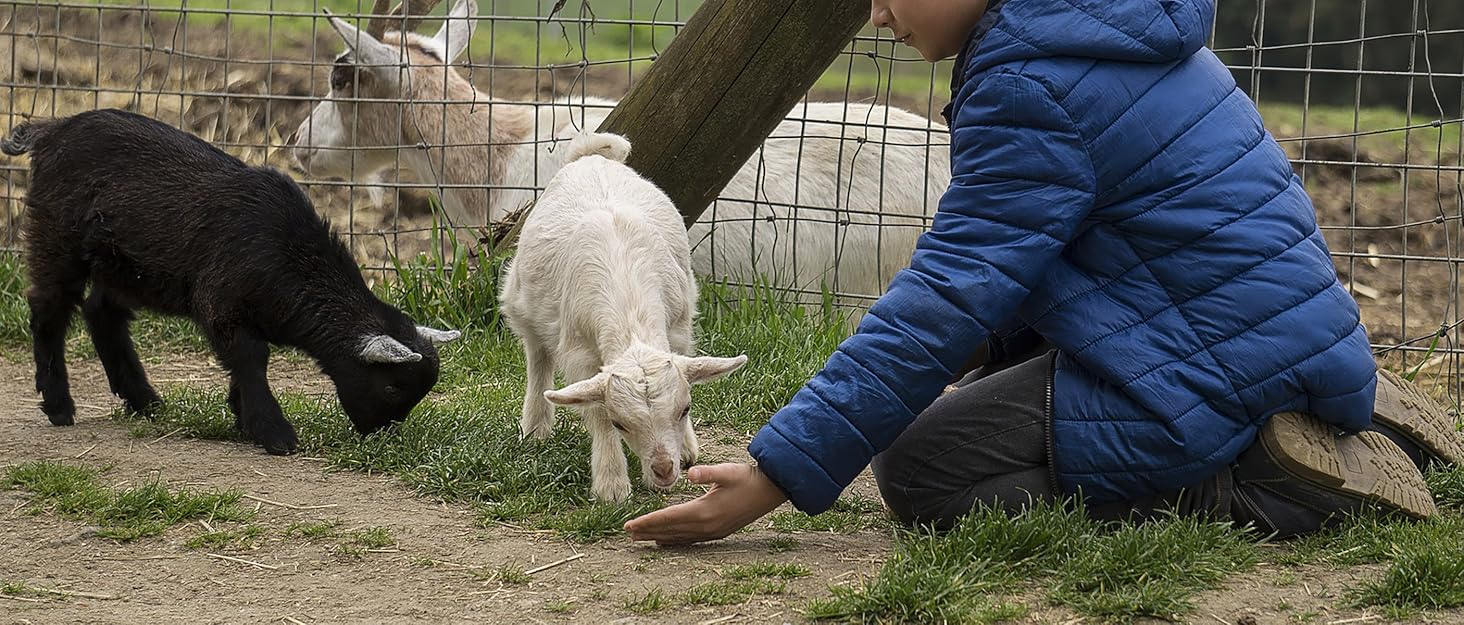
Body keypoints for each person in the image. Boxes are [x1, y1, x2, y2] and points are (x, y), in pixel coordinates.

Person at [623, 0, 1464, 545]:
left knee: (918, 467)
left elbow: (947, 291)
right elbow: (1052, 258)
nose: (876, 13)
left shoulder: (1029, 81)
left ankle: (1258, 479)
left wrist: (776, 476)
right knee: (960, 395)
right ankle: (1329, 395)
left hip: (1211, 359)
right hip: (1256, 325)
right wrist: (977, 350)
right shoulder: (1099, 23)